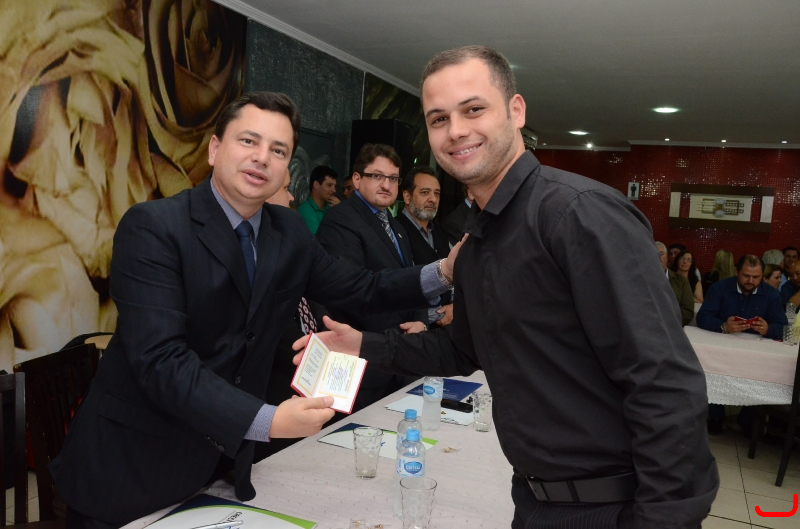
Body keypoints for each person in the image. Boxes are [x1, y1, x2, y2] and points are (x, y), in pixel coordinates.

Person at [296, 46, 717, 529]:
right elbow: (461, 349)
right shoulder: (478, 242)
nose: (456, 130)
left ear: (516, 111)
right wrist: (362, 344)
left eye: (474, 109)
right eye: (439, 119)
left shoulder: (578, 215)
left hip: (611, 506)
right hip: (537, 500)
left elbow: (664, 382)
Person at [49, 92, 458, 528]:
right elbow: (161, 361)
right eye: (248, 141)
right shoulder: (154, 227)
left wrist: (445, 271)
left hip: (224, 471)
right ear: (214, 149)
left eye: (278, 150)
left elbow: (362, 286)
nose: (262, 157)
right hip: (132, 468)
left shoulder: (288, 230)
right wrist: (267, 420)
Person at [315, 143, 428, 411]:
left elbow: (409, 280)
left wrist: (421, 321)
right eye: (377, 176)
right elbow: (353, 291)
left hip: (398, 361)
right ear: (356, 179)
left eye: (393, 178)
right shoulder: (341, 220)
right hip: (362, 363)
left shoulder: (397, 227)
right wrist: (400, 336)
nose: (386, 185)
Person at [396, 166, 454, 327]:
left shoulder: (440, 231)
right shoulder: (395, 230)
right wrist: (439, 314)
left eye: (437, 193)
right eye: (425, 192)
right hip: (413, 327)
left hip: (447, 324)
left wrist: (455, 306)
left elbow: (457, 272)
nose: (433, 199)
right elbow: (400, 289)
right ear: (407, 196)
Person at [697, 254, 786, 339]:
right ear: (737, 272)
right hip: (722, 340)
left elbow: (783, 326)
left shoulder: (772, 294)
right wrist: (723, 326)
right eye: (746, 276)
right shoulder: (719, 288)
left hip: (757, 344)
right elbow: (702, 317)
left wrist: (768, 329)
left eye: (756, 277)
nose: (750, 281)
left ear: (762, 275)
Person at [657, 242, 694, 326]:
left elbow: (687, 311)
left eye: (661, 254)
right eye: (653, 253)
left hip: (672, 327)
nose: (657, 257)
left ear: (667, 257)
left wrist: (668, 322)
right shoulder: (641, 280)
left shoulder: (682, 281)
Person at [297, 165, 340, 234]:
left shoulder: (332, 207)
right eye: (329, 185)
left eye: (334, 186)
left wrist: (340, 211)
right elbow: (319, 238)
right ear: (316, 185)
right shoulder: (304, 210)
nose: (334, 190)